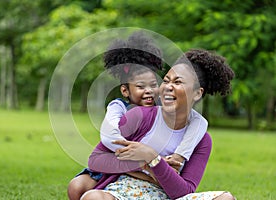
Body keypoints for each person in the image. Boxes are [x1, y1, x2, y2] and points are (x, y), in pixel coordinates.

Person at [68, 32, 208, 200]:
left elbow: (199, 123)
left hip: (163, 187)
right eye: (167, 80)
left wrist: (174, 157)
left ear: (198, 93)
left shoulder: (195, 129)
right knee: (77, 187)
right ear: (125, 90)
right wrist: (143, 162)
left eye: (153, 85)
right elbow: (107, 140)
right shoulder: (124, 110)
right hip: (118, 169)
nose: (149, 91)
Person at [80, 49, 236, 199]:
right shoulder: (140, 116)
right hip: (127, 192)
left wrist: (152, 157)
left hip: (168, 196)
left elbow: (184, 191)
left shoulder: (201, 140)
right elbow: (96, 159)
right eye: (166, 81)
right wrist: (144, 165)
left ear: (197, 93)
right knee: (92, 197)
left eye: (178, 82)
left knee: (225, 198)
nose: (168, 87)